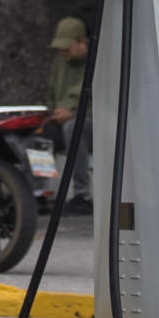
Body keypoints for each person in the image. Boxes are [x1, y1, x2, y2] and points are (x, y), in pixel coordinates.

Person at [46, 15, 91, 212]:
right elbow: (50, 95)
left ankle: (82, 195)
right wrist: (52, 113)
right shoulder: (59, 62)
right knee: (37, 136)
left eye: (67, 47)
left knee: (74, 128)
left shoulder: (97, 61)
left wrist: (72, 114)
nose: (63, 52)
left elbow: (102, 101)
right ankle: (40, 195)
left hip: (90, 121)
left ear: (83, 43)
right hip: (61, 119)